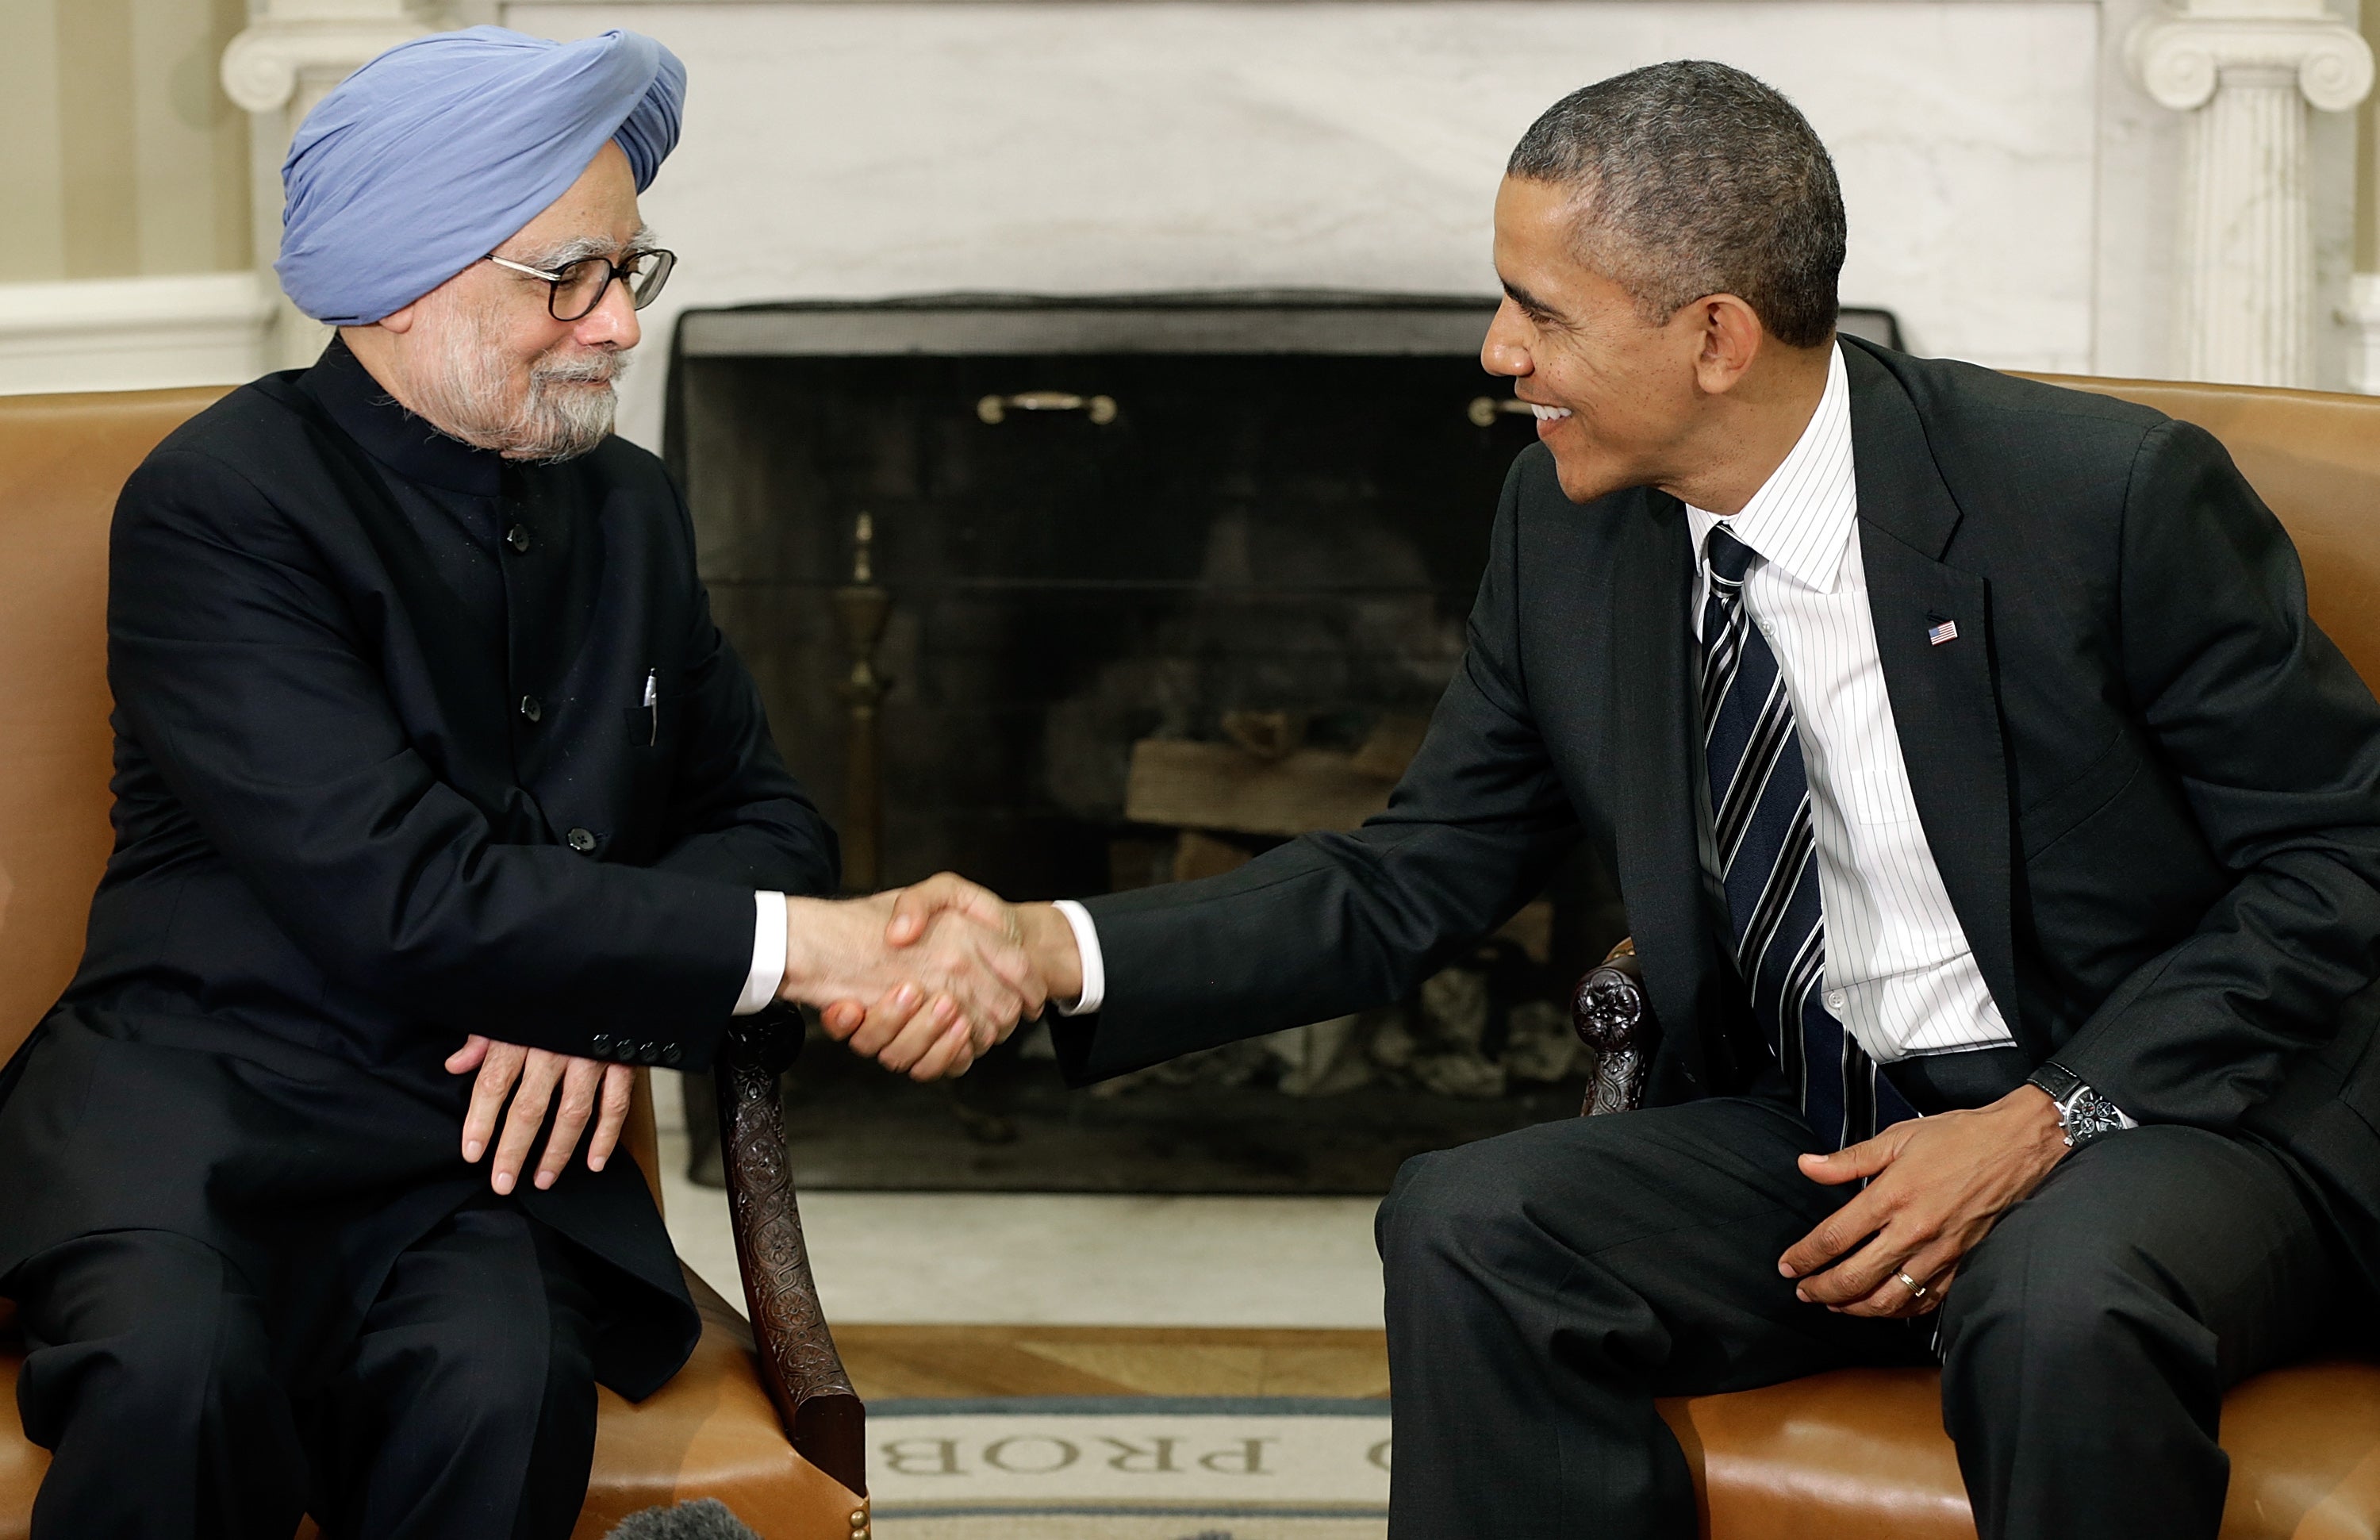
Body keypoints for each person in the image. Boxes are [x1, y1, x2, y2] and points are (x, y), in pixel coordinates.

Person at [831, 60, 2380, 1540]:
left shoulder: (2101, 498)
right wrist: (1050, 948)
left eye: (1540, 311)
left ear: (1715, 335)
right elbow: (1411, 874)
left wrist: (2042, 1121)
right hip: (1828, 1128)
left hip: (2155, 1112)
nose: (1498, 353)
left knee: (2061, 1294)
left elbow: (2337, 856)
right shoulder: (1565, 532)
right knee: (1473, 1222)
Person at [0, 26, 1033, 1540]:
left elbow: (767, 817)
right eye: (573, 277)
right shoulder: (221, 504)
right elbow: (402, 894)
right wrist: (804, 950)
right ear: (412, 273)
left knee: (502, 1381)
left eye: (632, 271)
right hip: (206, 1115)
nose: (618, 326)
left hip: (467, 1152)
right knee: (175, 1377)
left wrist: (582, 995)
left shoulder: (628, 505)